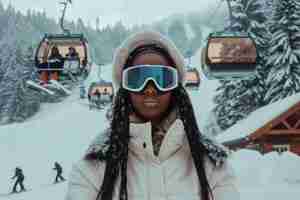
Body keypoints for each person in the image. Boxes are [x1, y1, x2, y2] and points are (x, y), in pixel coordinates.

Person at [65, 30, 239, 200]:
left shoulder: (212, 165)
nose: (150, 89)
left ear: (175, 87)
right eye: (137, 79)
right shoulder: (93, 168)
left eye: (162, 78)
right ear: (125, 89)